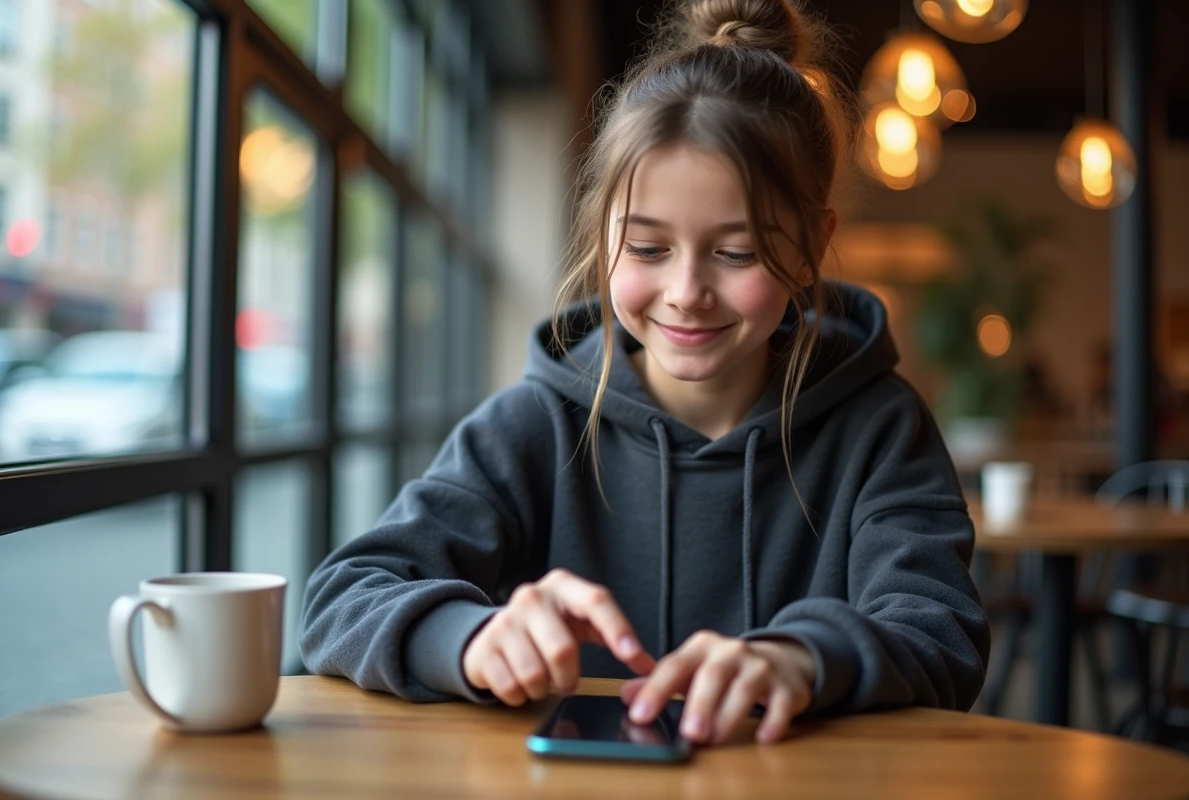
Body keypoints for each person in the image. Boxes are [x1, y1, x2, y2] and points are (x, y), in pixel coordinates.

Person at [301, 0, 990, 747]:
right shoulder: (533, 425)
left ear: (812, 247)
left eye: (736, 252)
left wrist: (803, 658)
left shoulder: (879, 426)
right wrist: (470, 638)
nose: (686, 291)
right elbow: (340, 600)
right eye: (649, 249)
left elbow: (943, 633)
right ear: (603, 237)